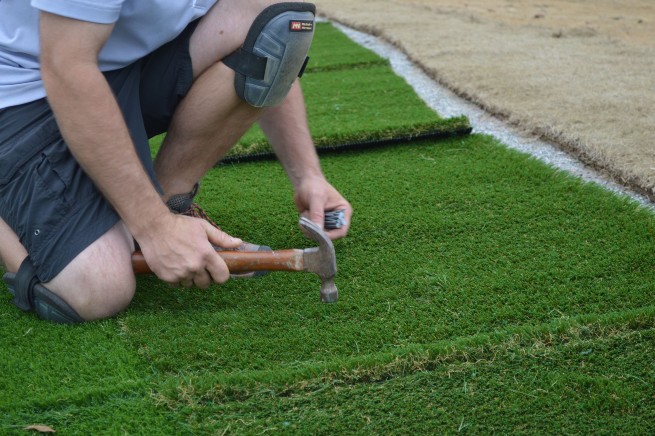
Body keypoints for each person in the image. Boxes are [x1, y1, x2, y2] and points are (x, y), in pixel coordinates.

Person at [0, 0, 352, 324]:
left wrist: (307, 174)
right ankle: (151, 224)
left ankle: (170, 204)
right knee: (96, 288)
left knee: (276, 16)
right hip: (26, 89)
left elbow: (272, 39)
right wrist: (154, 228)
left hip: (120, 65)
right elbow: (66, 68)